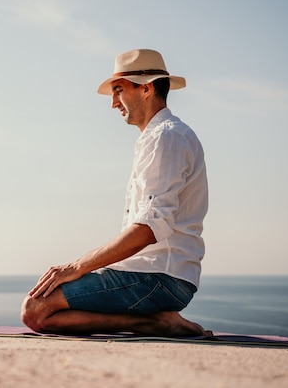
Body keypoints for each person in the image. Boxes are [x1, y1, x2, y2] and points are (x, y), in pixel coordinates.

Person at [21, 49, 209, 337]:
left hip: (159, 277)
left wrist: (76, 267)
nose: (113, 104)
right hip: (156, 275)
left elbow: (149, 228)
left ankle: (154, 323)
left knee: (37, 309)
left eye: (118, 90)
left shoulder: (166, 137)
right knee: (42, 308)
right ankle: (156, 321)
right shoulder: (160, 137)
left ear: (146, 88)